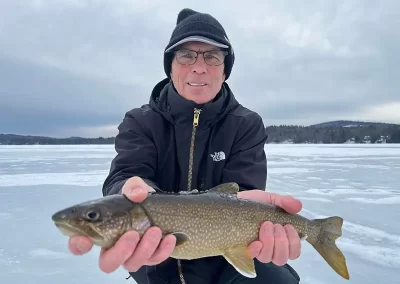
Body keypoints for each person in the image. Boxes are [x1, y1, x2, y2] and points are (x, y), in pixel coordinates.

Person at [68, 8, 302, 284]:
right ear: (170, 66)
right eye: (186, 55)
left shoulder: (245, 123)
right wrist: (128, 190)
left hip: (227, 259)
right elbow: (124, 175)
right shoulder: (140, 121)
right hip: (155, 259)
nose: (199, 67)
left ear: (225, 69)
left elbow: (243, 193)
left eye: (212, 56)